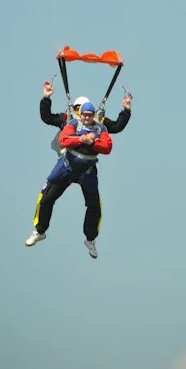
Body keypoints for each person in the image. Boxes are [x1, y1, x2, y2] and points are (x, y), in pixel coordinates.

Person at [25, 102, 112, 258]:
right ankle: (40, 231)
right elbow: (64, 140)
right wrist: (82, 139)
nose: (87, 118)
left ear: (93, 116)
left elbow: (107, 147)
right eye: (84, 115)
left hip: (87, 172)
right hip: (66, 168)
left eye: (90, 115)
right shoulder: (73, 123)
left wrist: (93, 142)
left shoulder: (100, 128)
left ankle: (90, 239)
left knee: (94, 207)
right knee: (46, 198)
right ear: (80, 114)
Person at [39, 81, 132, 135]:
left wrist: (126, 110)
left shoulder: (97, 121)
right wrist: (46, 98)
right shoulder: (66, 118)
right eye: (78, 109)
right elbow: (47, 118)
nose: (81, 114)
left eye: (85, 111)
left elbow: (116, 127)